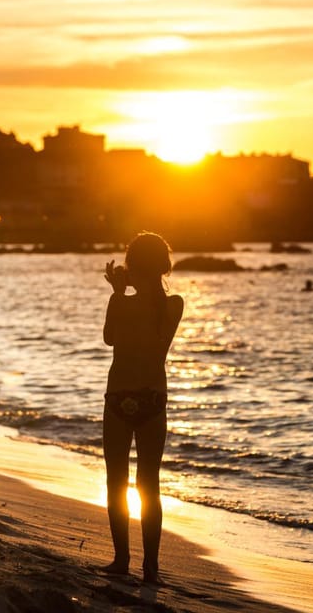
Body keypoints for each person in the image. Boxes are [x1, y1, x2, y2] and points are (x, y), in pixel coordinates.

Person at [101, 232, 184, 584]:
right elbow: (159, 342)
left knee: (116, 481)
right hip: (153, 399)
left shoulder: (120, 302)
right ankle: (151, 568)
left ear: (131, 267)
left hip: (118, 397)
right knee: (149, 483)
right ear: (164, 267)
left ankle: (122, 559)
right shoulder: (174, 304)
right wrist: (127, 292)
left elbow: (109, 338)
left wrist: (119, 294)